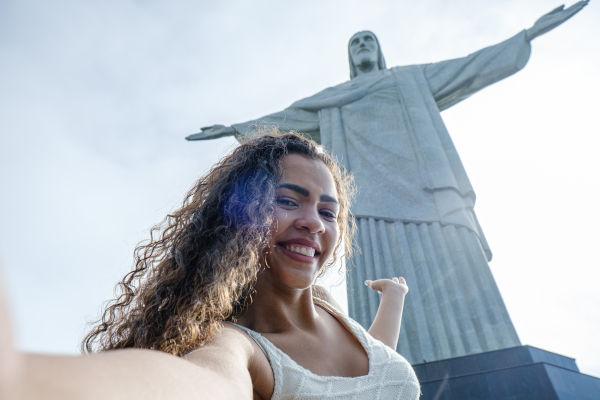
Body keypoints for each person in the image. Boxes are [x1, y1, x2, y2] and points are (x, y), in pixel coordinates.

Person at [186, 2, 588, 364]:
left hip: (429, 192)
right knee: (383, 277)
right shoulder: (335, 98)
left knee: (458, 272)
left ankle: (494, 358)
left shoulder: (409, 80)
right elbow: (286, 117)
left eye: (368, 39)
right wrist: (234, 128)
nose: (362, 44)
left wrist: (529, 34)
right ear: (349, 56)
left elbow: (471, 66)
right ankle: (391, 369)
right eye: (356, 41)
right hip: (368, 200)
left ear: (378, 50)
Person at [0, 132, 420, 399]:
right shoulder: (238, 348)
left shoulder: (328, 307)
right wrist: (19, 379)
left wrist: (394, 300)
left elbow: (378, 374)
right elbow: (195, 385)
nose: (313, 222)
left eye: (328, 212)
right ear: (240, 217)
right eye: (288, 201)